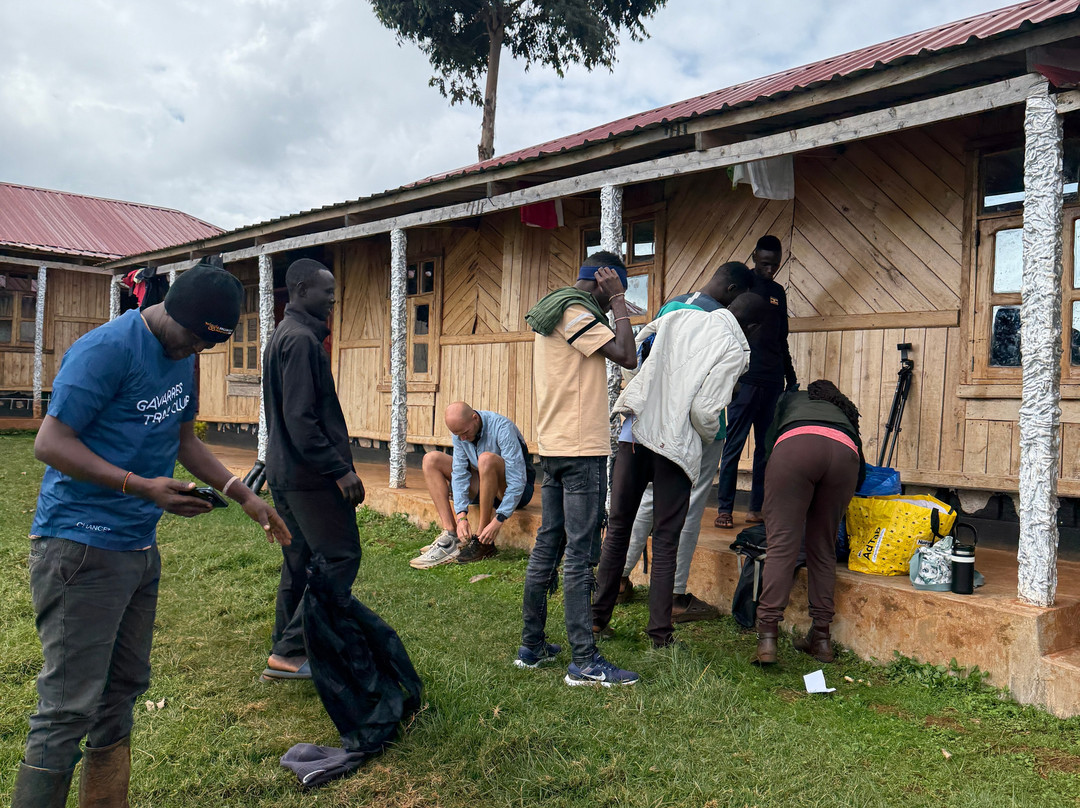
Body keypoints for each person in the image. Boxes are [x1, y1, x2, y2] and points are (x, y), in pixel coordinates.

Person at [12, 264, 291, 808]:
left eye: (207, 347)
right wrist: (140, 487)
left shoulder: (185, 357)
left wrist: (245, 496)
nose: (194, 353)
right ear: (171, 312)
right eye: (192, 338)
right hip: (79, 546)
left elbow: (182, 440)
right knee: (68, 707)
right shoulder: (105, 351)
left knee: (120, 694)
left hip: (137, 549)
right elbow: (49, 442)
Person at [593, 292, 765, 650]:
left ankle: (596, 621)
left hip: (634, 434)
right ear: (752, 327)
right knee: (667, 540)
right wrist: (700, 439)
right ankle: (660, 635)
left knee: (619, 526)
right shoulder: (735, 347)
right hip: (674, 446)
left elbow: (632, 361)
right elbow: (705, 412)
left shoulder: (675, 317)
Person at [518, 251, 639, 685]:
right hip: (580, 447)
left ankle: (531, 646)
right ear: (603, 282)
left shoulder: (556, 308)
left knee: (549, 543)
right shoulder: (574, 311)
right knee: (579, 554)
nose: (610, 308)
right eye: (608, 294)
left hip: (554, 443)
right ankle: (584, 661)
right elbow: (627, 355)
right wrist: (621, 299)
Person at [262, 258, 366, 681]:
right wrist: (339, 470)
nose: (333, 298)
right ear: (302, 290)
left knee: (300, 561)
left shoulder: (282, 336)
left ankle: (286, 651)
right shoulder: (301, 340)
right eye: (326, 291)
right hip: (310, 477)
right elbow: (301, 420)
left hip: (286, 473)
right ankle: (291, 649)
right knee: (341, 556)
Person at [753, 380, 866, 666]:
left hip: (795, 449)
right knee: (823, 549)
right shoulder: (844, 412)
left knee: (782, 547)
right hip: (844, 456)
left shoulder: (791, 399)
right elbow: (861, 468)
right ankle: (822, 638)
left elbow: (768, 446)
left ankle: (767, 636)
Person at [715, 234, 798, 529]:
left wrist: (791, 378)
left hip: (773, 381)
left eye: (774, 265)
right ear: (754, 257)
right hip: (745, 381)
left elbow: (781, 338)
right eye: (764, 263)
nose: (769, 270)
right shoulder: (742, 285)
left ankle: (755, 508)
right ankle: (724, 508)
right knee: (734, 446)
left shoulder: (778, 292)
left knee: (766, 449)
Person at [411, 402, 536, 568]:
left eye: (464, 433)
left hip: (515, 491)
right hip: (484, 485)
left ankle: (483, 541)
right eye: (458, 435)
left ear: (475, 418)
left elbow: (517, 481)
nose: (462, 438)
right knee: (431, 459)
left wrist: (499, 519)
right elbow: (460, 473)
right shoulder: (461, 433)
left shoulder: (502, 428)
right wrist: (461, 515)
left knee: (486, 459)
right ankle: (451, 534)